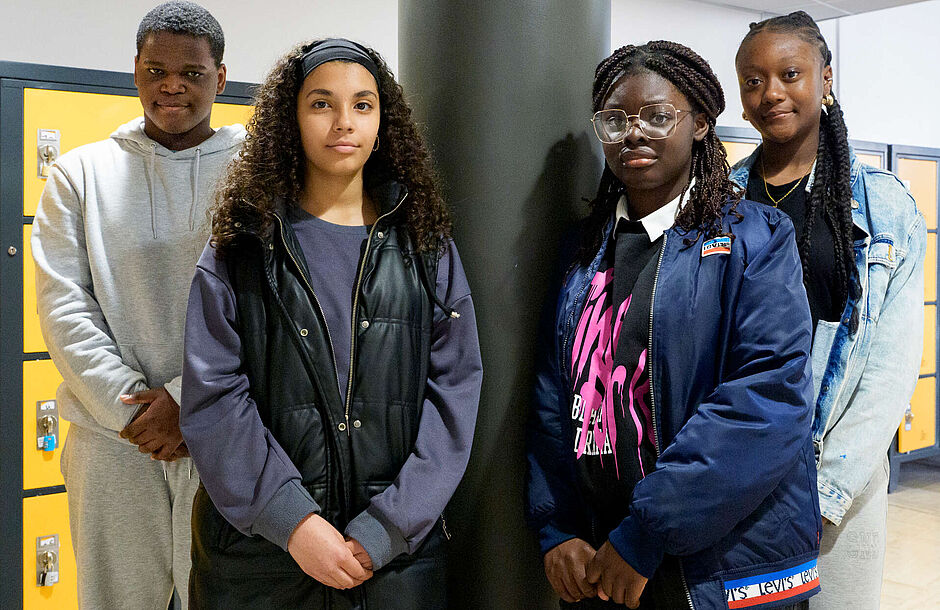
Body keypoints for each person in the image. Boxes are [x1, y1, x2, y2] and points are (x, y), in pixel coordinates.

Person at [179, 38, 482, 607]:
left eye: (363, 105)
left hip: (393, 563)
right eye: (322, 104)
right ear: (289, 118)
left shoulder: (426, 245)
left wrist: (385, 529)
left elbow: (455, 396)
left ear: (382, 121)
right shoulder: (241, 247)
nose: (344, 122)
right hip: (260, 560)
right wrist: (292, 521)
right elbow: (215, 399)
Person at [525, 41, 821, 609]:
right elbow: (551, 400)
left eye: (658, 117)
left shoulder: (755, 238)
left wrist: (645, 534)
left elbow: (767, 398)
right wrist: (557, 527)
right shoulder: (583, 248)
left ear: (701, 124)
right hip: (599, 557)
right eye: (616, 120)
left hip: (720, 558)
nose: (634, 134)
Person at [30, 2, 245, 608]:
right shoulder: (79, 174)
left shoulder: (257, 175)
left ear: (220, 79)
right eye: (155, 70)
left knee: (223, 595)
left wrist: (188, 399)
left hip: (225, 429)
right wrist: (131, 412)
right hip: (112, 440)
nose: (171, 85)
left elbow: (270, 305)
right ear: (135, 72)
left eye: (192, 73)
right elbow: (64, 306)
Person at [732, 12, 925, 609]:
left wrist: (828, 490)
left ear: (826, 79)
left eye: (790, 74)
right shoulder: (721, 199)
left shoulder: (881, 204)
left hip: (842, 471)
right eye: (753, 81)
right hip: (740, 466)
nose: (772, 94)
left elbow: (892, 366)